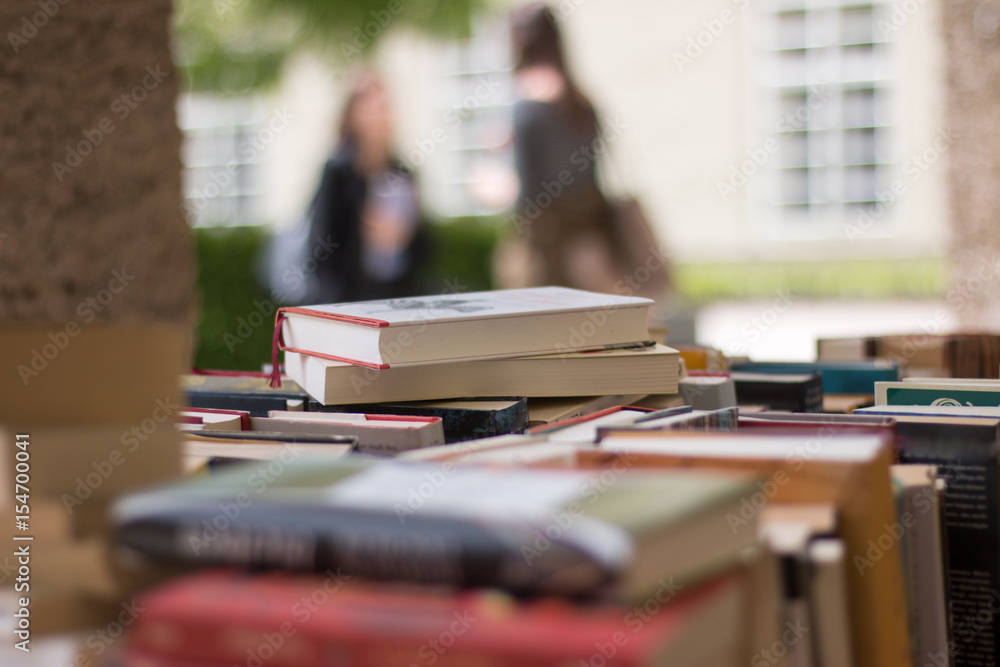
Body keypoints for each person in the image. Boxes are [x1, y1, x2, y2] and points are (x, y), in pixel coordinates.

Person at [503, 3, 625, 292]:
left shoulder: (526, 107)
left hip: (548, 253)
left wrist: (498, 188)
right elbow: (591, 178)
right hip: (592, 248)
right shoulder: (582, 104)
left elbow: (528, 199)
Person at [307, 72, 431, 303]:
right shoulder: (339, 173)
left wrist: (406, 235)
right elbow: (320, 248)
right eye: (367, 102)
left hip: (397, 297)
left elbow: (425, 245)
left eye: (382, 104)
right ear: (351, 113)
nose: (378, 111)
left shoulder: (403, 172)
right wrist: (362, 227)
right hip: (349, 302)